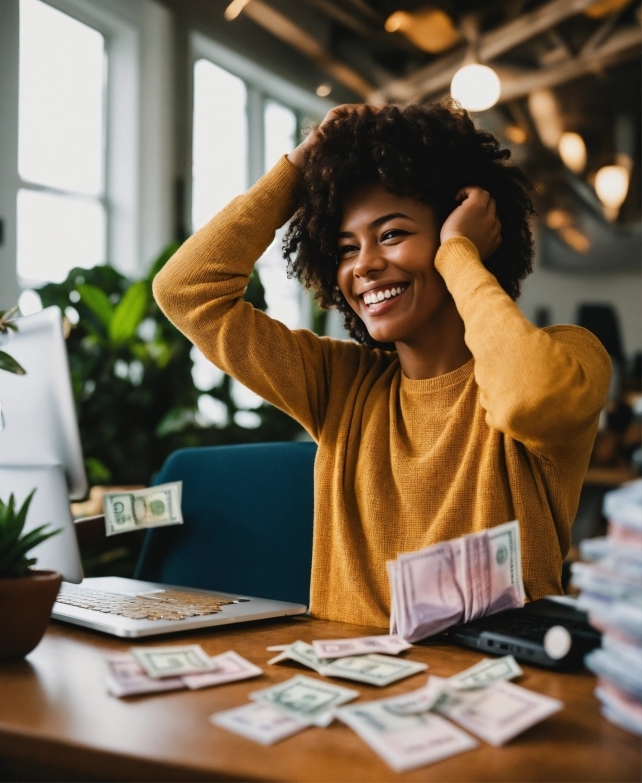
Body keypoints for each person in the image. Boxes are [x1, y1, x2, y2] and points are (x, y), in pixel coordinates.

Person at [153, 102, 611, 628]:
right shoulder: (340, 386)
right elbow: (185, 291)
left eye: (392, 234)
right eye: (346, 249)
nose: (365, 265)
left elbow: (532, 399)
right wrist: (301, 167)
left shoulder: (568, 353)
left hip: (490, 695)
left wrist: (460, 254)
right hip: (349, 693)